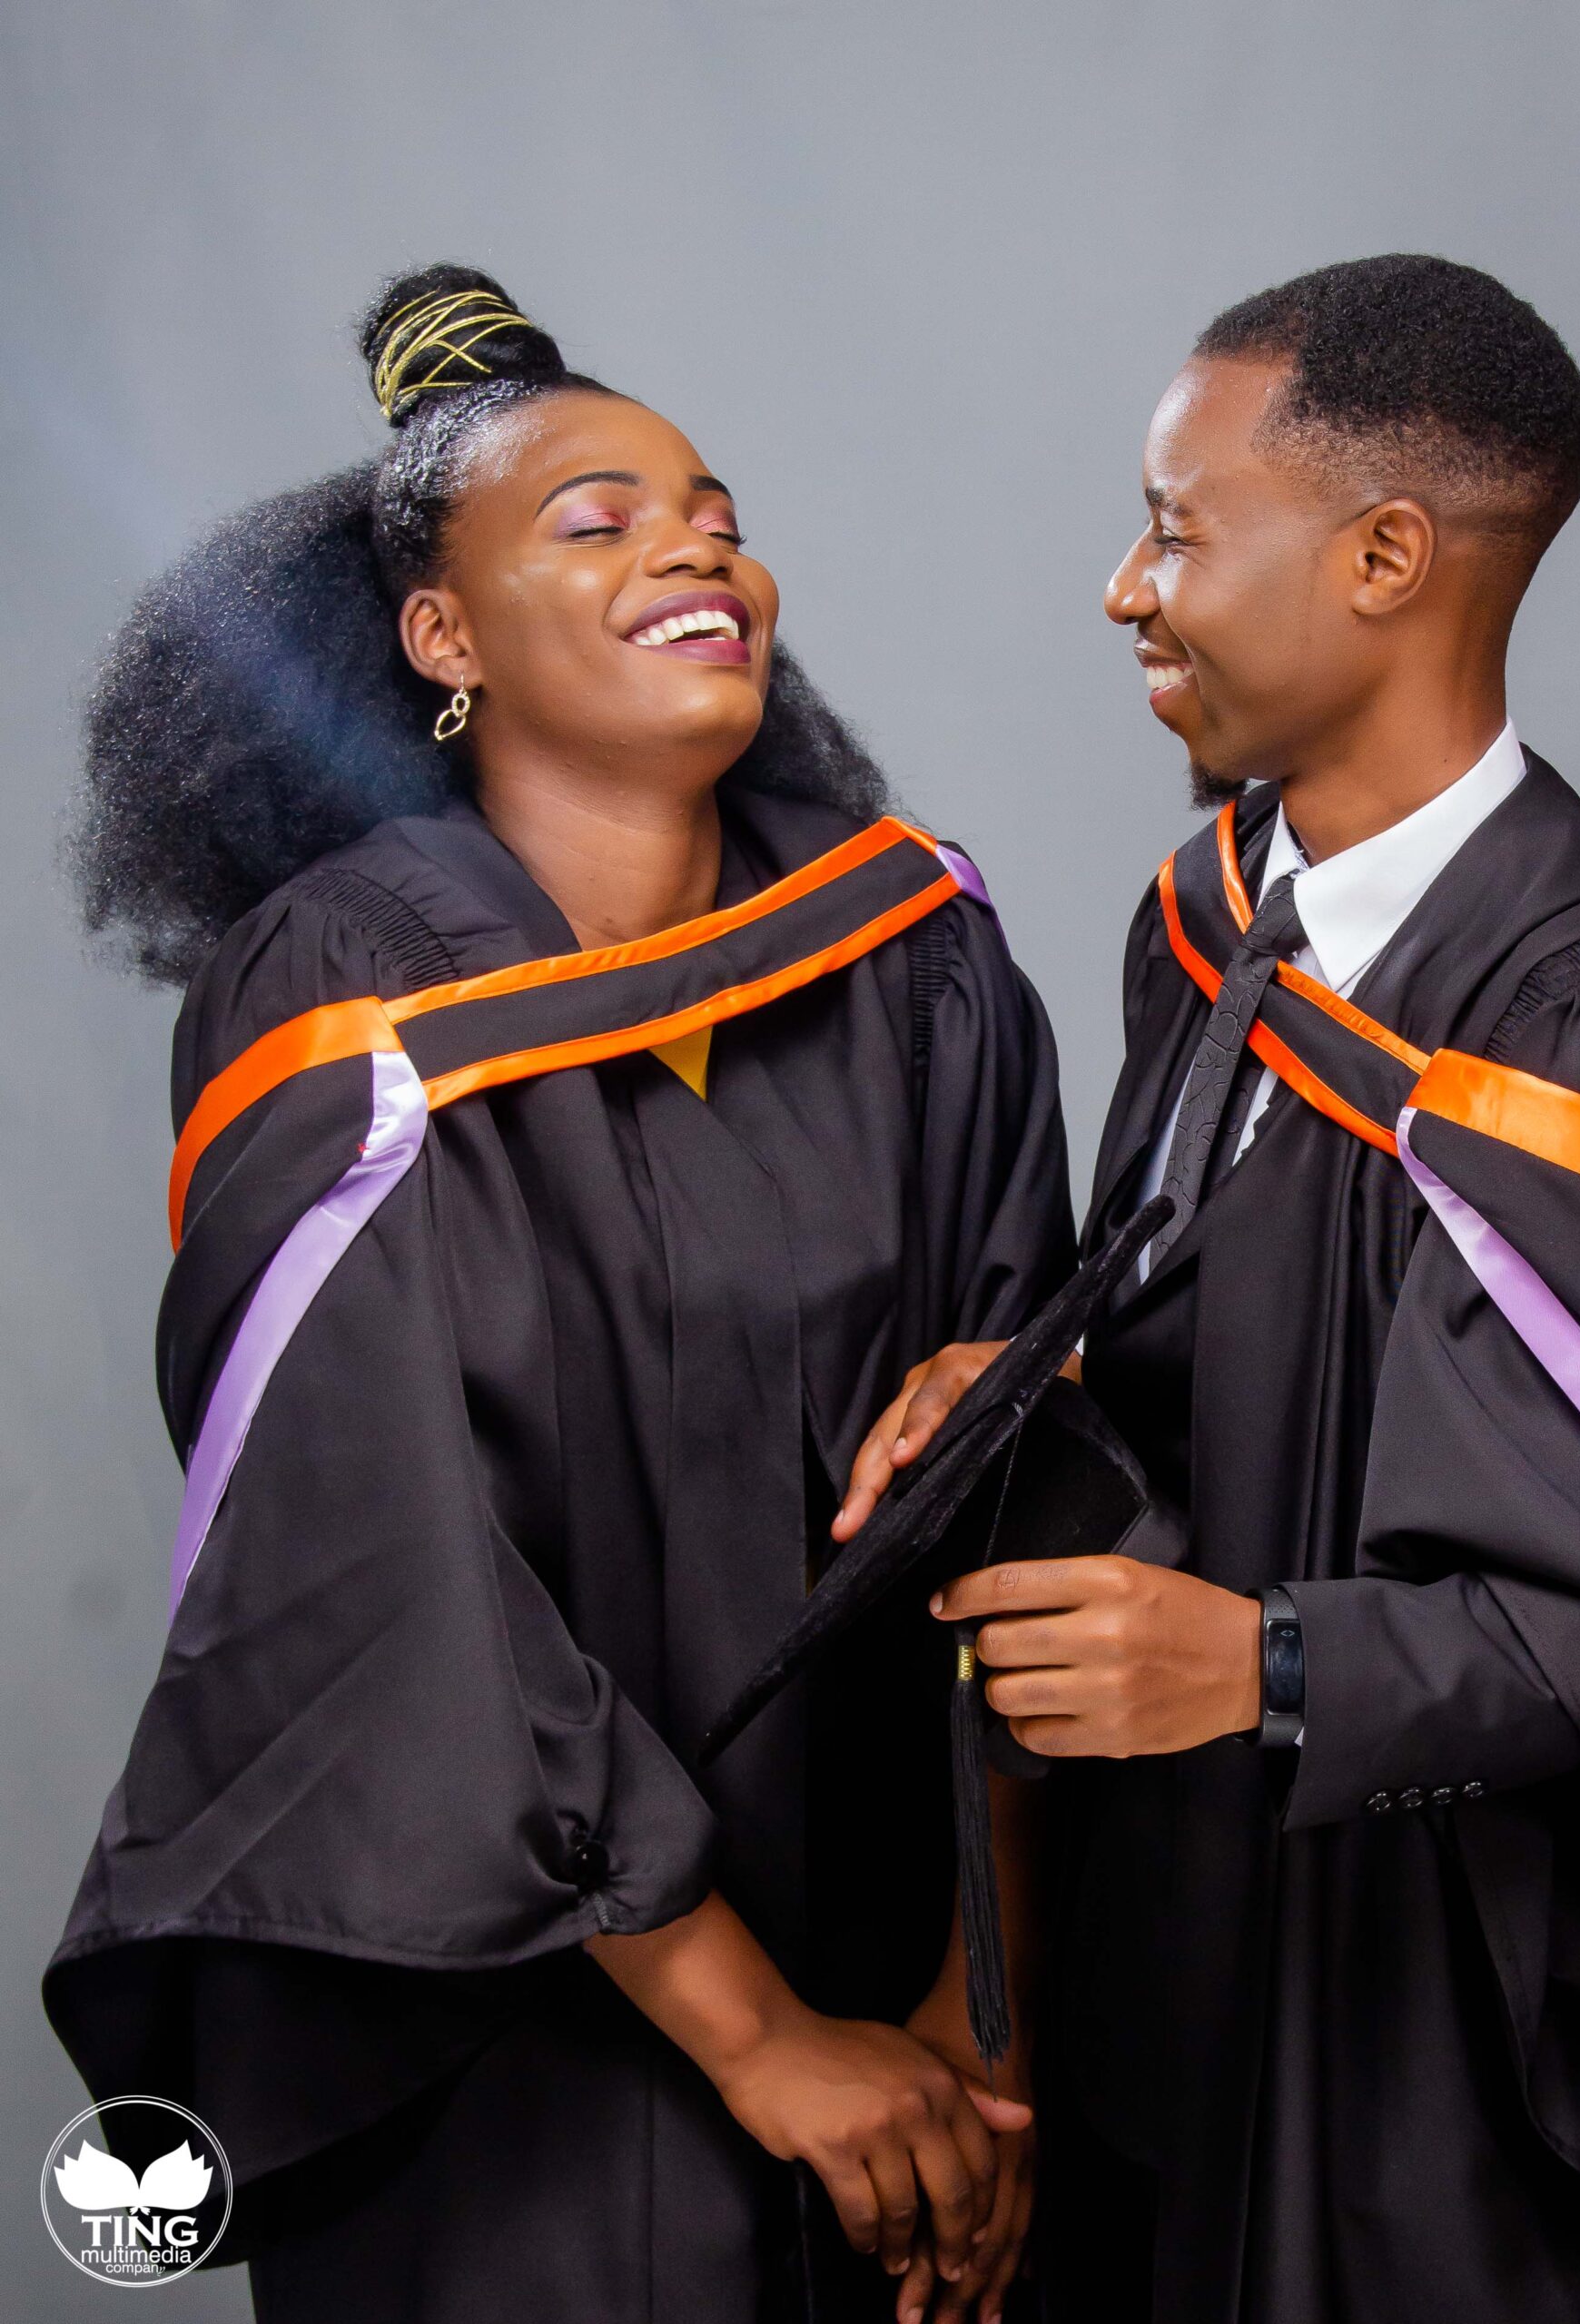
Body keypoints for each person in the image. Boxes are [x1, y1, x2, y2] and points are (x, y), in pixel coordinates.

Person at [841, 256, 1580, 2320]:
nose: (1126, 585)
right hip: (1170, 1966)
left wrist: (1262, 1665)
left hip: (1425, 2058)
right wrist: (1022, 1381)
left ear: (1384, 554)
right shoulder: (1210, 928)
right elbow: (1236, 1365)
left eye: (1179, 529)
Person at [46, 263, 1074, 2324]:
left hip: (925, 2034)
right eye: (591, 522)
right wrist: (761, 2036)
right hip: (511, 2056)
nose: (692, 541)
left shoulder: (907, 959)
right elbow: (380, 1554)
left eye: (710, 510)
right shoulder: (342, 991)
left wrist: (980, 2022)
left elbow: (1043, 1490)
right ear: (443, 640)